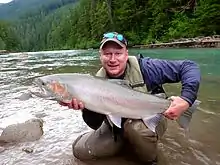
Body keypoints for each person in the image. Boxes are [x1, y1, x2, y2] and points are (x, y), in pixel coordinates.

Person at [59, 32, 201, 164]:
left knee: (136, 130)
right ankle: (126, 145)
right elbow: (95, 124)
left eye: (118, 53)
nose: (113, 59)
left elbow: (189, 67)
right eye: (107, 54)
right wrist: (85, 108)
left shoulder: (147, 67)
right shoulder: (95, 82)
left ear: (126, 54)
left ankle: (150, 160)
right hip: (117, 128)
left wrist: (186, 100)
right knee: (80, 152)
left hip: (149, 117)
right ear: (100, 56)